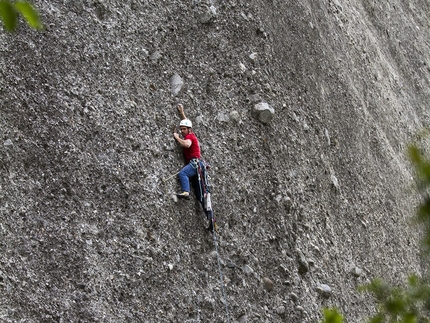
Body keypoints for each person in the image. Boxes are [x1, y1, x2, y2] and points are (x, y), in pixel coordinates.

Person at [173, 104, 214, 231]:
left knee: (182, 174)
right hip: (199, 168)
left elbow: (186, 144)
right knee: (201, 195)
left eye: (184, 129)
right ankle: (210, 218)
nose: (182, 131)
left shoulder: (189, 137)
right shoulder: (191, 133)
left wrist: (177, 137)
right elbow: (188, 125)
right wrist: (182, 112)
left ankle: (185, 191)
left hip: (195, 164)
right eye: (181, 130)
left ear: (189, 130)